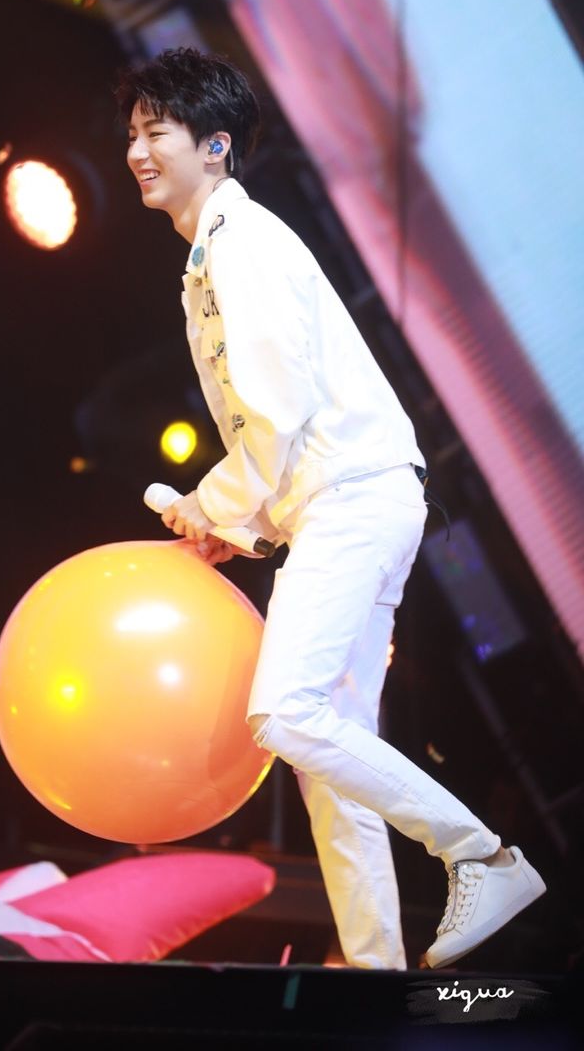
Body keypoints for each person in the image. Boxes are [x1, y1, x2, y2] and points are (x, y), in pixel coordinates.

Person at [115, 47, 545, 970]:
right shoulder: (214, 254)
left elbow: (274, 413)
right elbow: (284, 426)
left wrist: (211, 505)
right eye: (133, 135)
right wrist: (241, 526)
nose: (137, 152)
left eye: (156, 132)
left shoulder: (244, 243)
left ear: (215, 145)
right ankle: (375, 970)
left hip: (354, 499)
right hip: (347, 500)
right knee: (325, 755)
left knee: (284, 714)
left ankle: (483, 855)